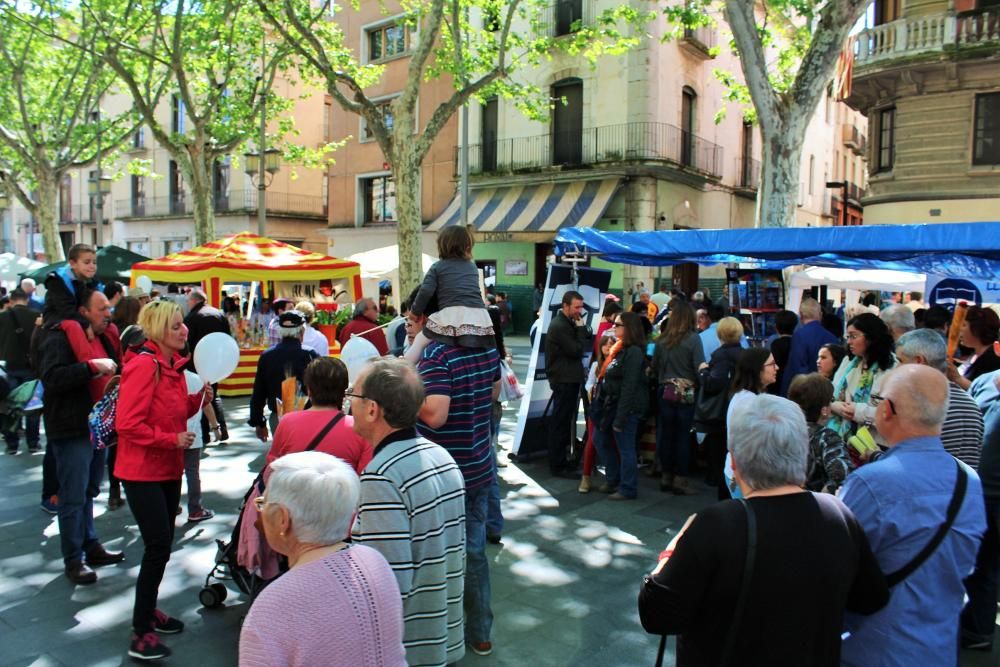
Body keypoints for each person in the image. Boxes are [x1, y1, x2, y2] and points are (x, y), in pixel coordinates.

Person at [638, 394, 889, 666]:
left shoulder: (716, 525)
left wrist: (671, 551)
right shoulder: (839, 515)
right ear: (803, 455)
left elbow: (657, 614)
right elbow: (870, 598)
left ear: (734, 462)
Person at [840, 365, 986, 666]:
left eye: (878, 399)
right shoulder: (969, 481)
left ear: (888, 410)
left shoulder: (871, 483)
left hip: (873, 648)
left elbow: (836, 567)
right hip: (939, 646)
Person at [240, 451, 407, 667]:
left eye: (262, 503)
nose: (260, 511)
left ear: (283, 518)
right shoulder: (375, 562)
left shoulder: (273, 604)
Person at [351, 358, 467, 666]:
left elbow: (388, 582)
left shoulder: (382, 474)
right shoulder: (440, 455)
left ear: (373, 408)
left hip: (407, 647)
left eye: (353, 395)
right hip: (441, 630)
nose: (349, 403)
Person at [114, 300, 209, 660]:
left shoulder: (170, 367)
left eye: (182, 324)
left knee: (163, 545)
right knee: (157, 547)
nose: (184, 330)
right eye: (175, 327)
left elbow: (173, 412)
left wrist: (198, 398)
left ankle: (149, 609)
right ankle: (141, 633)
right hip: (141, 472)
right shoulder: (144, 366)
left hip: (166, 469)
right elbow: (128, 425)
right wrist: (171, 440)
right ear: (156, 332)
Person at [417, 334, 499, 656]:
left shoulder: (436, 354)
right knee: (474, 553)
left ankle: (440, 637)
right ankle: (479, 633)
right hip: (478, 464)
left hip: (443, 473)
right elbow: (494, 391)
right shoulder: (486, 348)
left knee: (435, 556)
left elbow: (435, 415)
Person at [37, 288, 124, 585]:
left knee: (88, 492)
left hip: (95, 427)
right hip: (71, 428)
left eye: (108, 308)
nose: (108, 313)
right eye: (101, 308)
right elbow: (52, 378)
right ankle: (74, 559)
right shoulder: (59, 338)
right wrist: (89, 367)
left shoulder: (104, 338)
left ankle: (90, 545)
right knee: (73, 496)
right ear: (84, 311)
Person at [894, 328, 985, 468]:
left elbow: (912, 467)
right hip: (964, 488)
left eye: (900, 361)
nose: (897, 368)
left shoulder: (925, 407)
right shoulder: (971, 404)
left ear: (918, 362)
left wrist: (875, 456)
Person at [404, 226, 494, 363]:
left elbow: (425, 292)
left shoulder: (437, 267)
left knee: (421, 340)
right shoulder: (472, 267)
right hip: (479, 315)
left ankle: (404, 364)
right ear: (468, 246)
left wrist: (415, 312)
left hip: (451, 314)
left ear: (442, 245)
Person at [266, 357, 372, 472]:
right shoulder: (360, 428)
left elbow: (273, 467)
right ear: (344, 390)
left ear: (309, 389)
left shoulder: (287, 422)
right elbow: (364, 477)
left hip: (293, 488)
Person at [591, 311, 648, 501]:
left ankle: (627, 487)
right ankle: (613, 478)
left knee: (625, 447)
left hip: (625, 407)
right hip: (612, 405)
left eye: (618, 324)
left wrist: (621, 417)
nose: (613, 327)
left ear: (628, 328)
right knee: (600, 439)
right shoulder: (620, 348)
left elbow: (629, 386)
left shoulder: (633, 352)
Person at [651, 300, 704, 494]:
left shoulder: (662, 340)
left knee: (665, 434)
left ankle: (666, 476)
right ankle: (680, 480)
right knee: (682, 436)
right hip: (686, 393)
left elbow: (654, 368)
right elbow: (699, 367)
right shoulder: (693, 339)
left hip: (664, 391)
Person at [964, 369, 1000, 651]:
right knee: (972, 561)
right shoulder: (983, 382)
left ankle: (980, 631)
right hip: (974, 490)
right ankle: (970, 625)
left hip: (995, 496)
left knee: (987, 565)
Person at [249, 310, 319, 442]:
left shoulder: (267, 356)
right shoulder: (309, 355)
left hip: (279, 418)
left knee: (282, 457)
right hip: (307, 418)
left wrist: (258, 422)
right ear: (301, 332)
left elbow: (259, 392)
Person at [828, 312, 897, 444]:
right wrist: (834, 405)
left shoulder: (893, 368)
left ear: (871, 337)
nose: (849, 342)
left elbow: (894, 416)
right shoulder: (849, 362)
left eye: (854, 336)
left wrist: (858, 412)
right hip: (843, 439)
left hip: (876, 443)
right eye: (848, 337)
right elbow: (832, 392)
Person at [695, 316, 744, 495]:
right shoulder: (745, 354)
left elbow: (714, 384)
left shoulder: (722, 356)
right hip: (738, 411)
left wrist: (703, 371)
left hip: (720, 413)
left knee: (720, 456)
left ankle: (724, 494)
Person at [721, 347, 779, 498]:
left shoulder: (745, 396)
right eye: (772, 364)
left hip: (740, 474)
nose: (776, 368)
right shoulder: (750, 402)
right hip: (746, 477)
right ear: (757, 369)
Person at [543, 289, 589, 478]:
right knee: (560, 423)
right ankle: (558, 465)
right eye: (577, 307)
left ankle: (562, 462)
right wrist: (580, 329)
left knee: (563, 421)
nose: (580, 310)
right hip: (564, 379)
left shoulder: (567, 322)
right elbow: (576, 350)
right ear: (565, 306)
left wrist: (579, 328)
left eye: (581, 306)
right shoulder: (561, 325)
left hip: (568, 378)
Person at [787, 373, 853, 493]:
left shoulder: (780, 431)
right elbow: (842, 477)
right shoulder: (827, 438)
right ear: (824, 410)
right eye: (831, 400)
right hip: (810, 506)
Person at [183, 289, 231, 443]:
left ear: (194, 301)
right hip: (216, 361)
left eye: (188, 301)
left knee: (200, 396)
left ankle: (205, 434)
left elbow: (186, 342)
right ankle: (222, 429)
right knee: (213, 394)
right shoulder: (219, 314)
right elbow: (227, 338)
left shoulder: (192, 317)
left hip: (196, 362)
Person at [0, 288, 41, 454]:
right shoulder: (36, 317)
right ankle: (32, 442)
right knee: (32, 404)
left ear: (11, 300)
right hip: (31, 367)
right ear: (26, 299)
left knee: (10, 405)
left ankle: (12, 443)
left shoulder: (2, 317)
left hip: (9, 366)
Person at [580, 333, 618, 494]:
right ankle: (586, 476)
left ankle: (614, 476)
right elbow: (589, 384)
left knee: (614, 442)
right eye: (605, 344)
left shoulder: (617, 364)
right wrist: (593, 389)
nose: (607, 347)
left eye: (611, 344)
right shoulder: (596, 365)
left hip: (612, 409)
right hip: (597, 409)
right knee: (592, 441)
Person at [781, 297, 838, 395]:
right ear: (820, 315)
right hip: (826, 389)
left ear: (801, 315)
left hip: (805, 390)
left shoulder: (799, 335)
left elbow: (797, 366)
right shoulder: (832, 337)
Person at [949, 305, 1000, 390]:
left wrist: (957, 378)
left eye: (964, 325)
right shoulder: (975, 355)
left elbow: (987, 391)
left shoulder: (993, 358)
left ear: (977, 329)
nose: (960, 329)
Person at [767, 309, 797, 396]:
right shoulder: (797, 343)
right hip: (793, 383)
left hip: (777, 386)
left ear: (776, 327)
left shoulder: (775, 344)